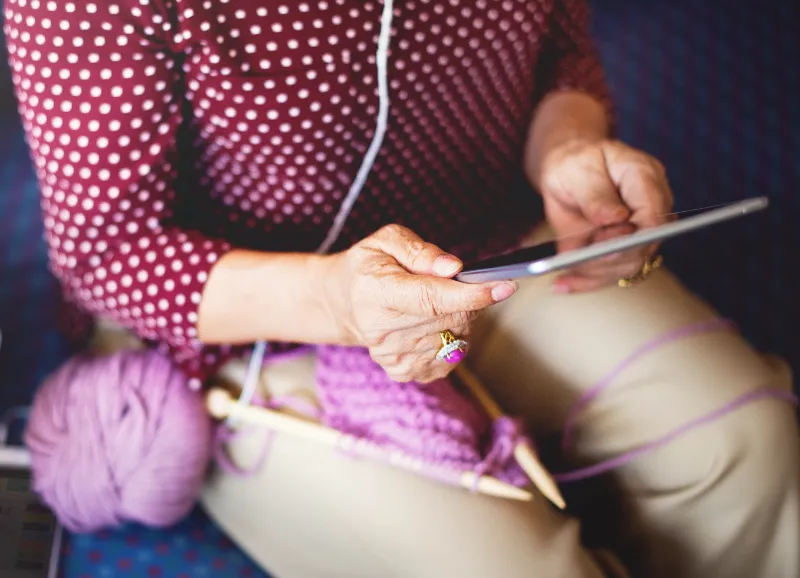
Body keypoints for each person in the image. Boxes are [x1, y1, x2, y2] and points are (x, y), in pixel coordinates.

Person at [5, 0, 799, 576]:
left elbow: (559, 44)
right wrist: (334, 301)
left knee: (744, 449)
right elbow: (108, 251)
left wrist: (570, 148)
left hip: (492, 233)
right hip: (242, 314)